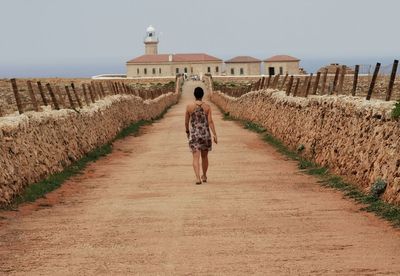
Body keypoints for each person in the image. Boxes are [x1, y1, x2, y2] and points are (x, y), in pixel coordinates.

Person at [185, 87, 218, 184]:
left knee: (195, 157)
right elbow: (210, 121)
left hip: (195, 135)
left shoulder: (189, 107)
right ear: (202, 95)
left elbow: (186, 122)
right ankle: (204, 176)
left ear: (194, 95)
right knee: (204, 157)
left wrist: (187, 132)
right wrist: (215, 134)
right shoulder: (207, 107)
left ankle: (197, 178)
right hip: (205, 135)